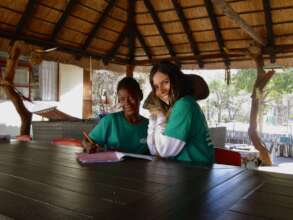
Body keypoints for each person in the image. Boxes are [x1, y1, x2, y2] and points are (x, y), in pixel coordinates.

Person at [146, 61, 214, 164]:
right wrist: (153, 120)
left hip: (197, 172)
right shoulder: (175, 107)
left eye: (165, 82)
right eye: (156, 87)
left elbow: (165, 151)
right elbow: (154, 150)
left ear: (176, 81)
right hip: (186, 170)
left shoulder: (184, 105)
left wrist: (159, 116)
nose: (161, 91)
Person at [82, 77, 149, 154]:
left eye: (131, 97)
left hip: (142, 166)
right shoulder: (110, 121)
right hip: (113, 166)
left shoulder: (149, 126)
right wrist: (88, 146)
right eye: (122, 99)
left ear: (140, 95)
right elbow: (87, 140)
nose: (127, 103)